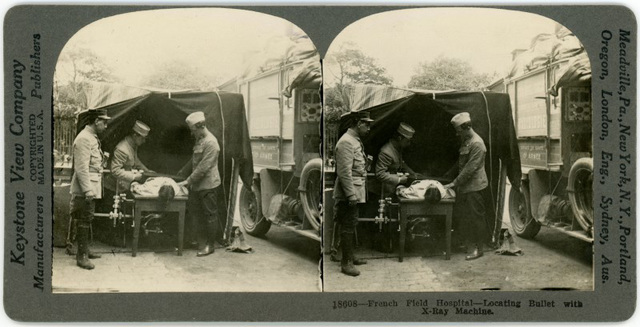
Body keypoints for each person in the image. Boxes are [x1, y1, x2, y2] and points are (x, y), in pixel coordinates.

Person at [333, 111, 374, 277]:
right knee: (348, 225)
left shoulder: (354, 141)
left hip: (355, 190)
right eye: (367, 124)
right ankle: (346, 263)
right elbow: (344, 172)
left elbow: (357, 168)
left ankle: (350, 256)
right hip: (347, 193)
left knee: (352, 223)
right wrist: (351, 195)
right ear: (358, 123)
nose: (369, 128)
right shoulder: (346, 142)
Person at [444, 112, 489, 261]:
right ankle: (469, 244)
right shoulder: (466, 141)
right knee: (466, 218)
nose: (457, 134)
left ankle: (479, 249)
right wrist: (447, 174)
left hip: (475, 187)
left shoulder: (477, 144)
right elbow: (461, 163)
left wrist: (453, 183)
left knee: (476, 219)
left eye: (458, 131)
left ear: (465, 127)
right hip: (465, 187)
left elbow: (470, 169)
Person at [69, 109, 111, 270]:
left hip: (91, 184)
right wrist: (87, 190)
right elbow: (81, 168)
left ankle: (85, 250)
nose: (106, 126)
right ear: (95, 121)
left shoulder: (90, 138)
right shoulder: (84, 139)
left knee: (87, 217)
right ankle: (82, 256)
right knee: (84, 219)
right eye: (104, 122)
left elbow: (93, 164)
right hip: (84, 188)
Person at [177, 112, 222, 257]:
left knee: (210, 215)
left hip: (208, 185)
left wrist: (187, 181)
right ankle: (198, 240)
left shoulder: (211, 143)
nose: (192, 133)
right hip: (197, 185)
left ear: (200, 126)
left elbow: (203, 168)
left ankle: (210, 246)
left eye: (193, 130)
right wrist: (182, 171)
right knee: (196, 214)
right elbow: (194, 160)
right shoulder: (200, 140)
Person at [374, 122, 420, 198]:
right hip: (384, 192)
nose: (409, 144)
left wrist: (412, 173)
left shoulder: (397, 148)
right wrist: (399, 179)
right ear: (399, 138)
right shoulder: (386, 152)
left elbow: (400, 162)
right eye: (407, 141)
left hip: (392, 188)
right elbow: (380, 174)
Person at [110, 120, 152, 193]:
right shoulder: (122, 149)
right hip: (114, 188)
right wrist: (134, 176)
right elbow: (115, 171)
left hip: (124, 185)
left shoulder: (133, 144)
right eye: (142, 138)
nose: (144, 141)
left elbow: (135, 160)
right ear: (135, 135)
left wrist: (147, 171)